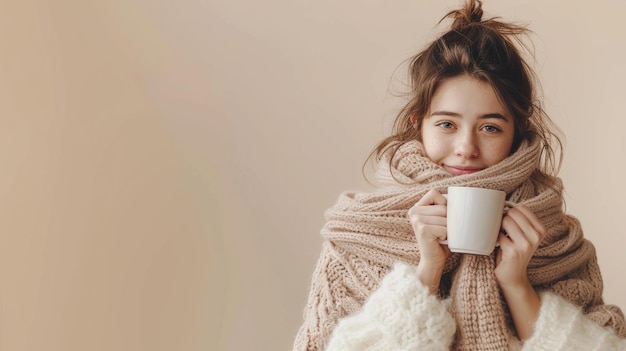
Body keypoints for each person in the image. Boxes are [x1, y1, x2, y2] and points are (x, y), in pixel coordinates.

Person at [293, 1, 626, 350]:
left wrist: (517, 286)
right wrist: (426, 274)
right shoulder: (356, 240)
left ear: (517, 132)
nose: (467, 147)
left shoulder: (557, 242)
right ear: (417, 122)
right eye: (447, 124)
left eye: (490, 127)